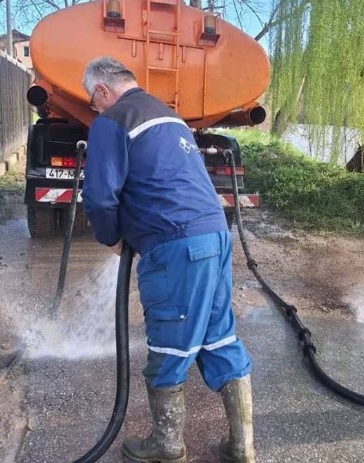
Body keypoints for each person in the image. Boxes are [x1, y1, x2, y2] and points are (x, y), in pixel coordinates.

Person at [80, 56, 255, 463]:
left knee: (170, 344)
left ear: (104, 91)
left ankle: (167, 445)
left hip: (176, 246)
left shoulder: (113, 120)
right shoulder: (169, 115)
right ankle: (243, 445)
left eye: (93, 100)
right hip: (214, 233)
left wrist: (111, 239)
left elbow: (101, 196)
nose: (95, 108)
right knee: (219, 336)